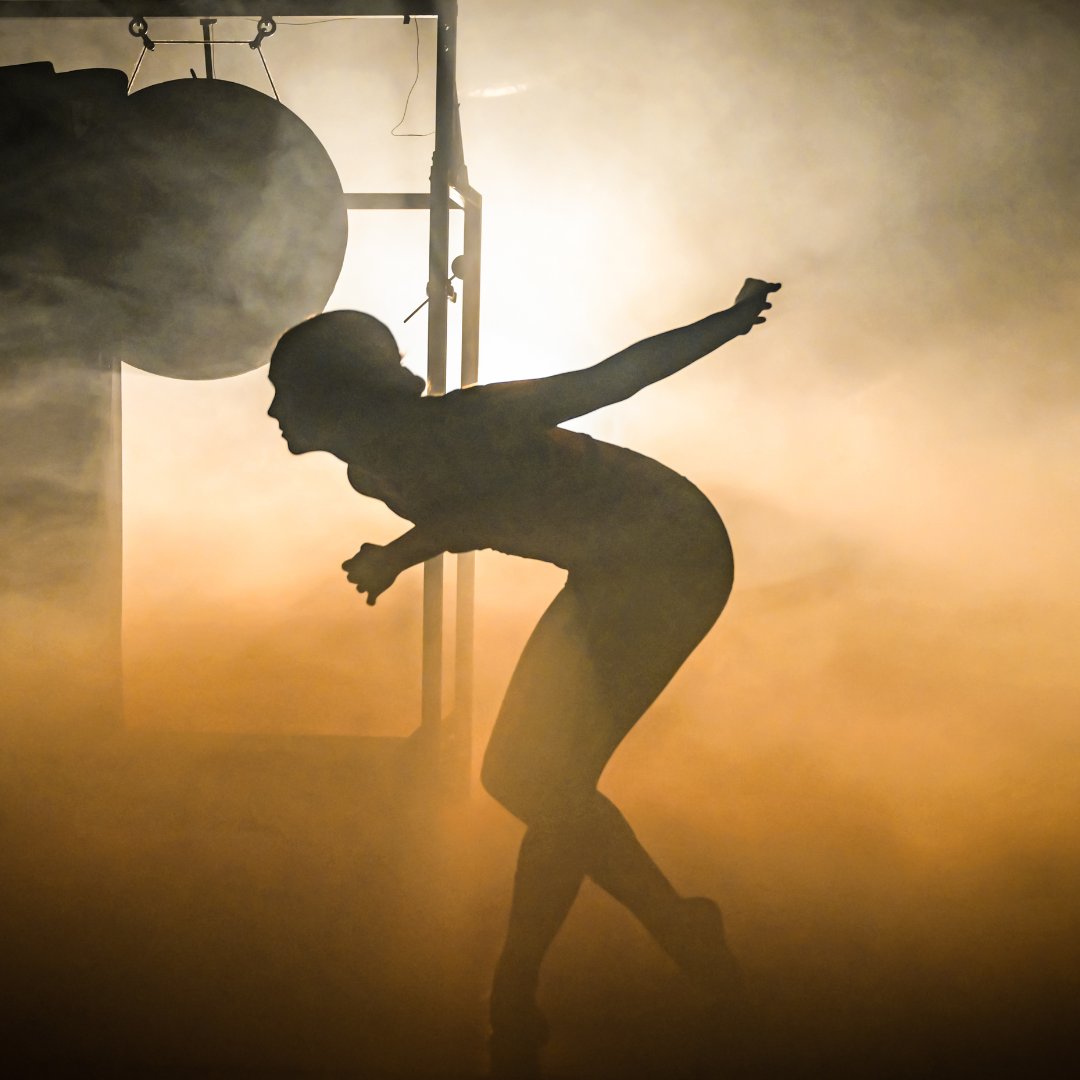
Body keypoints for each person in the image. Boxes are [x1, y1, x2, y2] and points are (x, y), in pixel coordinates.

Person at [267, 277, 781, 1075]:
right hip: (607, 571)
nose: (273, 414)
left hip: (672, 553)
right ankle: (549, 979)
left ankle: (567, 971)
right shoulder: (368, 474)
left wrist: (730, 321)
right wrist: (396, 557)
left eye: (284, 393)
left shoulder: (469, 419)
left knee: (533, 777)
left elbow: (613, 379)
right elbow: (479, 515)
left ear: (335, 397)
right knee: (540, 780)